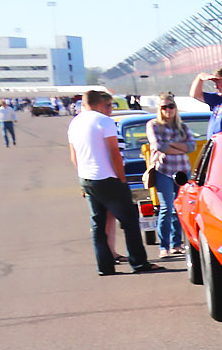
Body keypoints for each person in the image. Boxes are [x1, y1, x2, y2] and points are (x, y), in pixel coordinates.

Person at [66, 89, 155, 276]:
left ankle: (105, 266)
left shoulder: (74, 123)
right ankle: (138, 262)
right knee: (129, 221)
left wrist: (82, 177)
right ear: (99, 103)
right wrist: (122, 179)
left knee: (98, 225)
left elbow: (74, 156)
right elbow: (114, 152)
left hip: (87, 178)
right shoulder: (104, 121)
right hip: (107, 178)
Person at [145, 94, 193, 259]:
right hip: (163, 170)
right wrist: (180, 147)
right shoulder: (153, 125)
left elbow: (192, 146)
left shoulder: (182, 126)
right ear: (159, 109)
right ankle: (164, 246)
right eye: (164, 107)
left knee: (180, 209)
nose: (168, 110)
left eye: (170, 106)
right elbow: (158, 146)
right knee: (166, 208)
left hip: (182, 171)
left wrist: (170, 145)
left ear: (175, 107)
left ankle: (177, 244)